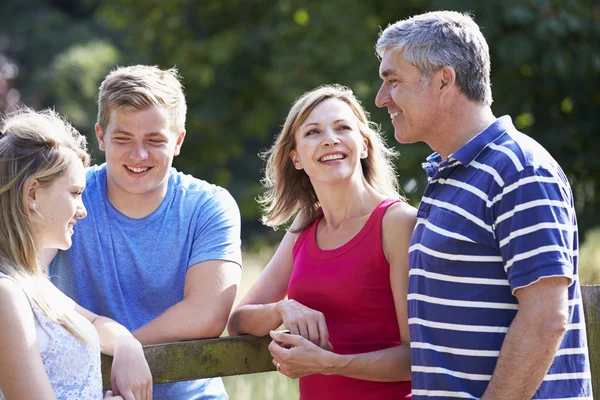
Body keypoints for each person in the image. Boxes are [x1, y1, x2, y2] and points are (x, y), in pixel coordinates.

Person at [374, 10, 593, 399]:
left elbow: (546, 320)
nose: (381, 99)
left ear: (444, 80)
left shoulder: (519, 171)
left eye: (393, 81)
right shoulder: (451, 175)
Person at [45, 65, 243, 400]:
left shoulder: (209, 205)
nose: (139, 155)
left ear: (178, 141)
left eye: (155, 140)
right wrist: (118, 344)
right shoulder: (66, 195)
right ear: (100, 136)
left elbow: (208, 313)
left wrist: (127, 347)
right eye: (123, 138)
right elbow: (26, 282)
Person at [227, 84, 415, 399]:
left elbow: (417, 358)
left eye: (342, 127)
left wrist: (329, 364)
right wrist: (282, 308)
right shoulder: (305, 226)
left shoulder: (398, 223)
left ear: (364, 145)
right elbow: (238, 322)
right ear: (296, 157)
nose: (330, 139)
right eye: (313, 132)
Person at [0, 108, 152, 400]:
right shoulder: (6, 293)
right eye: (74, 193)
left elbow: (94, 322)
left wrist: (125, 342)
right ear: (32, 194)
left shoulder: (33, 284)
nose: (83, 210)